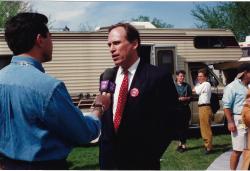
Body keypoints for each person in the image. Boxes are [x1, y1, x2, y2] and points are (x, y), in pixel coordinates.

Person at [0, 12, 109, 170]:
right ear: (40, 40)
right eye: (50, 36)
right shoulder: (48, 87)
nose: (52, 42)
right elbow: (84, 133)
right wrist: (99, 108)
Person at [98, 22, 179, 170]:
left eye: (116, 43)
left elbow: (173, 120)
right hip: (109, 162)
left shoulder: (157, 76)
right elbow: (107, 118)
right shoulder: (107, 76)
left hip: (142, 162)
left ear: (134, 44)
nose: (111, 49)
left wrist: (151, 153)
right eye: (109, 45)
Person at [222, 63, 250, 170]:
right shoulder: (232, 87)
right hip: (239, 120)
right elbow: (226, 106)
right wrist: (230, 122)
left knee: (248, 150)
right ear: (246, 73)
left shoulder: (248, 86)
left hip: (249, 119)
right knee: (238, 150)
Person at [193, 69, 213, 154]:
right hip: (202, 107)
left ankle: (208, 147)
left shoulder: (206, 84)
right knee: (203, 127)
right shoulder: (201, 84)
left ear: (206, 77)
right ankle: (207, 145)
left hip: (205, 108)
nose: (199, 78)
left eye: (201, 76)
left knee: (206, 128)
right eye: (198, 76)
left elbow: (195, 90)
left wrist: (196, 87)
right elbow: (195, 89)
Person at [175, 70, 192, 153]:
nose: (182, 77)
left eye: (183, 76)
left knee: (184, 127)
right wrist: (178, 99)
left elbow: (191, 97)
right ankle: (180, 143)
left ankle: (184, 145)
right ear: (177, 77)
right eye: (180, 76)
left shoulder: (187, 86)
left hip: (185, 109)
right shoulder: (173, 86)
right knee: (178, 127)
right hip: (177, 109)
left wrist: (186, 98)